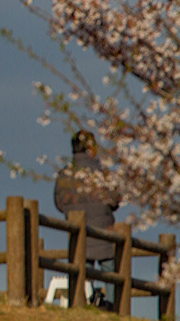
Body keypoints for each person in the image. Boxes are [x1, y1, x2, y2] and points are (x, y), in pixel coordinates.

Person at [54, 130, 120, 310]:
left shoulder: (65, 175)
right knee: (111, 274)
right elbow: (115, 200)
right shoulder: (104, 174)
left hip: (79, 236)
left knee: (81, 273)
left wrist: (71, 212)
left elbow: (59, 203)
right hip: (105, 233)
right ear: (91, 148)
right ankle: (114, 311)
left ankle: (81, 308)